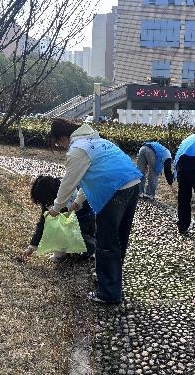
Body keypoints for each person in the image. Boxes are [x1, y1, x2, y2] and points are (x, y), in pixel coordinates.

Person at [48, 118, 142, 304]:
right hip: (133, 184)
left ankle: (107, 293)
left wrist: (56, 208)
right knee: (119, 239)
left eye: (58, 143)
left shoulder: (77, 150)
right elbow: (92, 175)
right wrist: (78, 203)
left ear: (62, 137)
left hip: (114, 190)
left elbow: (68, 183)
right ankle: (111, 282)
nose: (61, 147)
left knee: (106, 241)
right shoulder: (96, 141)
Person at [20, 175, 95, 262]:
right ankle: (61, 252)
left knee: (74, 238)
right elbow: (43, 223)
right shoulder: (49, 199)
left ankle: (93, 249)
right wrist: (31, 247)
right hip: (73, 220)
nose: (46, 205)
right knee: (55, 225)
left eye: (46, 202)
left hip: (86, 219)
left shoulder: (72, 191)